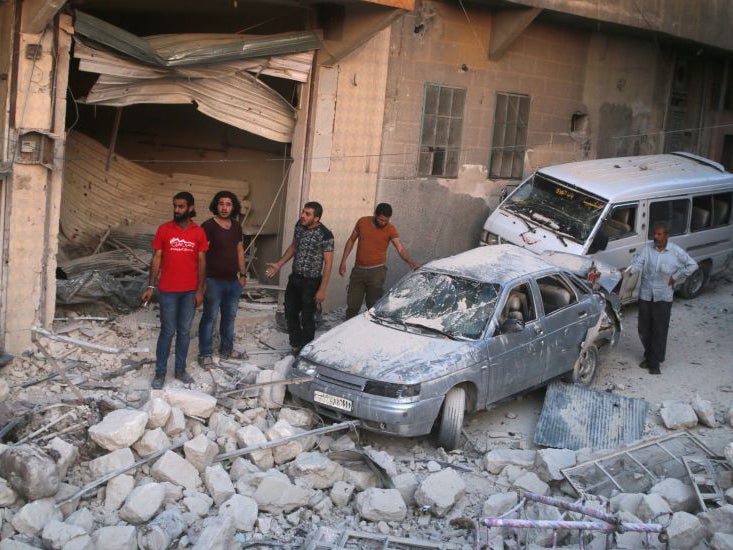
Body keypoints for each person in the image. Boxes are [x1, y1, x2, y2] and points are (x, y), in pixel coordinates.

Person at [142, 192, 208, 389]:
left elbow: (202, 262)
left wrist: (200, 290)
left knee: (185, 332)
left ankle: (180, 370)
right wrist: (151, 286)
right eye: (175, 206)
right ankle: (160, 373)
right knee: (167, 331)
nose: (177, 210)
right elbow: (156, 258)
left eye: (181, 206)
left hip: (189, 291)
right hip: (168, 291)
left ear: (190, 207)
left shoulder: (198, 232)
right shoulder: (164, 229)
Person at [627, 221, 697, 375]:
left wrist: (676, 277)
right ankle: (650, 354)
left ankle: (654, 362)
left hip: (663, 298)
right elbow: (637, 264)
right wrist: (629, 272)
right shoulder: (647, 249)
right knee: (643, 329)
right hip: (646, 295)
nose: (656, 237)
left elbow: (693, 265)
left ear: (667, 236)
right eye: (654, 234)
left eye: (659, 234)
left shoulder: (675, 252)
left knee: (659, 330)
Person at [265, 202, 334, 354]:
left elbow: (328, 264)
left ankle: (305, 350)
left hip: (311, 282)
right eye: (303, 212)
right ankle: (295, 345)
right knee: (290, 312)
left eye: (307, 214)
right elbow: (294, 247)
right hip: (295, 278)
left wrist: (322, 290)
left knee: (308, 317)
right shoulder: (299, 226)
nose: (302, 216)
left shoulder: (326, 235)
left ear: (316, 218)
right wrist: (279, 264)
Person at [339, 203, 420, 319]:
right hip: (358, 271)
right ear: (375, 215)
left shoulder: (391, 229)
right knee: (352, 305)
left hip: (376, 272)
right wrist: (343, 261)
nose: (383, 223)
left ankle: (371, 332)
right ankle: (348, 330)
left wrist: (411, 262)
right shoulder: (362, 222)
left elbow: (400, 248)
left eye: (386, 220)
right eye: (381, 219)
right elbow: (351, 240)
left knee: (373, 306)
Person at [198, 191, 247, 368]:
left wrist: (242, 274)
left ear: (233, 207)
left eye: (228, 204)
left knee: (229, 317)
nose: (224, 207)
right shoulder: (208, 226)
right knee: (209, 318)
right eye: (221, 204)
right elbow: (200, 255)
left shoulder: (236, 226)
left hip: (233, 282)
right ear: (215, 206)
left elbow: (240, 250)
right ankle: (205, 354)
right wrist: (201, 283)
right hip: (213, 281)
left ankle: (227, 350)